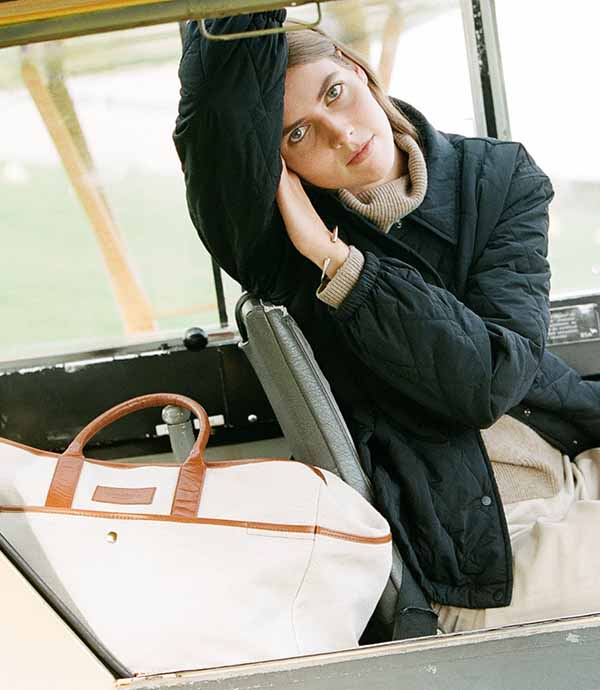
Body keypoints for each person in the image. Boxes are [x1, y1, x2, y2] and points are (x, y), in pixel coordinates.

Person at [173, 11, 600, 632]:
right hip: (481, 551)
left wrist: (347, 267)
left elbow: (500, 371)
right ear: (277, 166)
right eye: (299, 134)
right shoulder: (280, 252)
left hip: (570, 464)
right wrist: (338, 264)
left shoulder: (497, 178)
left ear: (357, 69)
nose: (341, 134)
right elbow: (218, 113)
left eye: (334, 93)